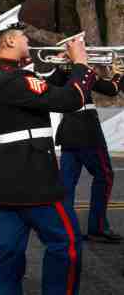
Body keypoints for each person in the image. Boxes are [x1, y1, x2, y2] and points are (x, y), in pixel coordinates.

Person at [0, 6, 95, 295]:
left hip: (8, 181)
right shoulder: (12, 80)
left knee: (8, 253)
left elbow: (41, 93)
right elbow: (71, 99)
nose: (26, 41)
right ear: (8, 41)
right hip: (35, 181)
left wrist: (61, 69)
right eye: (22, 36)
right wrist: (81, 63)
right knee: (65, 245)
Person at [44, 34, 122, 243]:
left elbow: (51, 83)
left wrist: (63, 66)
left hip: (68, 133)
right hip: (87, 131)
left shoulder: (60, 74)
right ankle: (97, 227)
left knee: (67, 183)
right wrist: (119, 73)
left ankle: (64, 226)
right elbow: (112, 90)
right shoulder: (82, 73)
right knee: (104, 176)